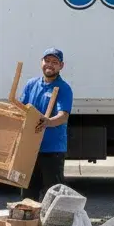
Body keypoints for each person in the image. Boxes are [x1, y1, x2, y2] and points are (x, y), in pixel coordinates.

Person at [20, 47, 73, 196]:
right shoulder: (31, 84)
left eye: (54, 62)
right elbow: (22, 109)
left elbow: (63, 116)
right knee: (28, 196)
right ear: (41, 62)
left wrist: (48, 122)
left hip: (52, 150)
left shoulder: (63, 88)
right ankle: (31, 220)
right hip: (31, 148)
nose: (50, 64)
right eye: (47, 60)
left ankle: (52, 221)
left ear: (61, 66)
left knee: (53, 196)